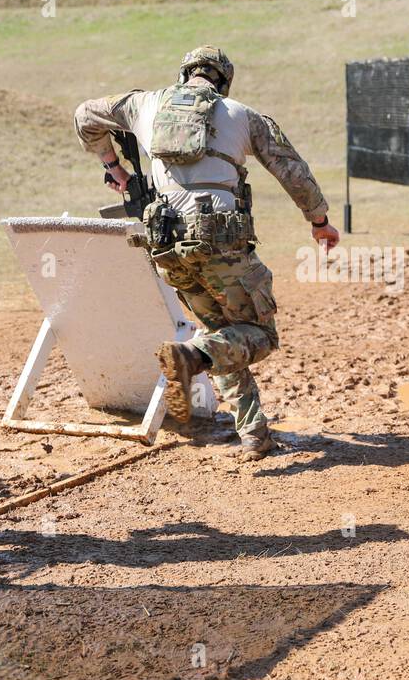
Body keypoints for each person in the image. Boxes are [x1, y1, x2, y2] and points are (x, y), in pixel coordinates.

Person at [73, 46, 339, 460]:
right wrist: (319, 221)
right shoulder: (240, 114)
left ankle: (254, 434)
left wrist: (116, 169)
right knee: (259, 336)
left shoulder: (145, 104)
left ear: (183, 75)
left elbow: (85, 115)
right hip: (221, 244)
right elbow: (292, 169)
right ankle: (191, 356)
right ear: (223, 81)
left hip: (166, 249)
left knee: (220, 330)